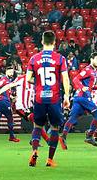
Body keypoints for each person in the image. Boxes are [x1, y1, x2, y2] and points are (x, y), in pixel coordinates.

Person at [25, 30, 71, 168]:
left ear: (42, 41)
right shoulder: (60, 59)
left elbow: (28, 79)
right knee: (54, 127)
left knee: (37, 126)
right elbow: (65, 78)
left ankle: (34, 151)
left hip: (39, 98)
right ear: (54, 42)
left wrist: (39, 83)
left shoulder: (34, 58)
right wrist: (67, 96)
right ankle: (50, 159)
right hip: (54, 98)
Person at [61, 52, 97, 147]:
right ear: (91, 59)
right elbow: (75, 79)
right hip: (84, 97)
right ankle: (89, 136)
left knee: (73, 118)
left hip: (79, 98)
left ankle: (63, 136)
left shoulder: (95, 71)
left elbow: (89, 86)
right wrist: (81, 87)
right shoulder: (88, 70)